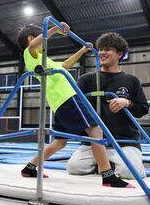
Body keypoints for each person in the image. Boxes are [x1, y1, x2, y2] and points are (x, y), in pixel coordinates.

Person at [18, 23, 134, 188]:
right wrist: (54, 29)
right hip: (68, 99)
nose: (45, 42)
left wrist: (82, 50)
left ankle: (29, 168)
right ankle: (108, 176)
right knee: (96, 130)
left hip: (61, 104)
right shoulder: (30, 55)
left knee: (60, 143)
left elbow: (65, 65)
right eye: (42, 37)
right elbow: (32, 45)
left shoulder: (46, 61)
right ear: (32, 38)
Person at [67, 32, 149, 179]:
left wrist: (127, 103)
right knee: (74, 167)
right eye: (100, 49)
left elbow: (142, 109)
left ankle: (109, 165)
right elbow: (74, 106)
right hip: (94, 142)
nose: (102, 53)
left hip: (124, 142)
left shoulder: (131, 80)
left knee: (129, 172)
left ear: (119, 54)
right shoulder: (87, 79)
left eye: (108, 49)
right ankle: (106, 164)